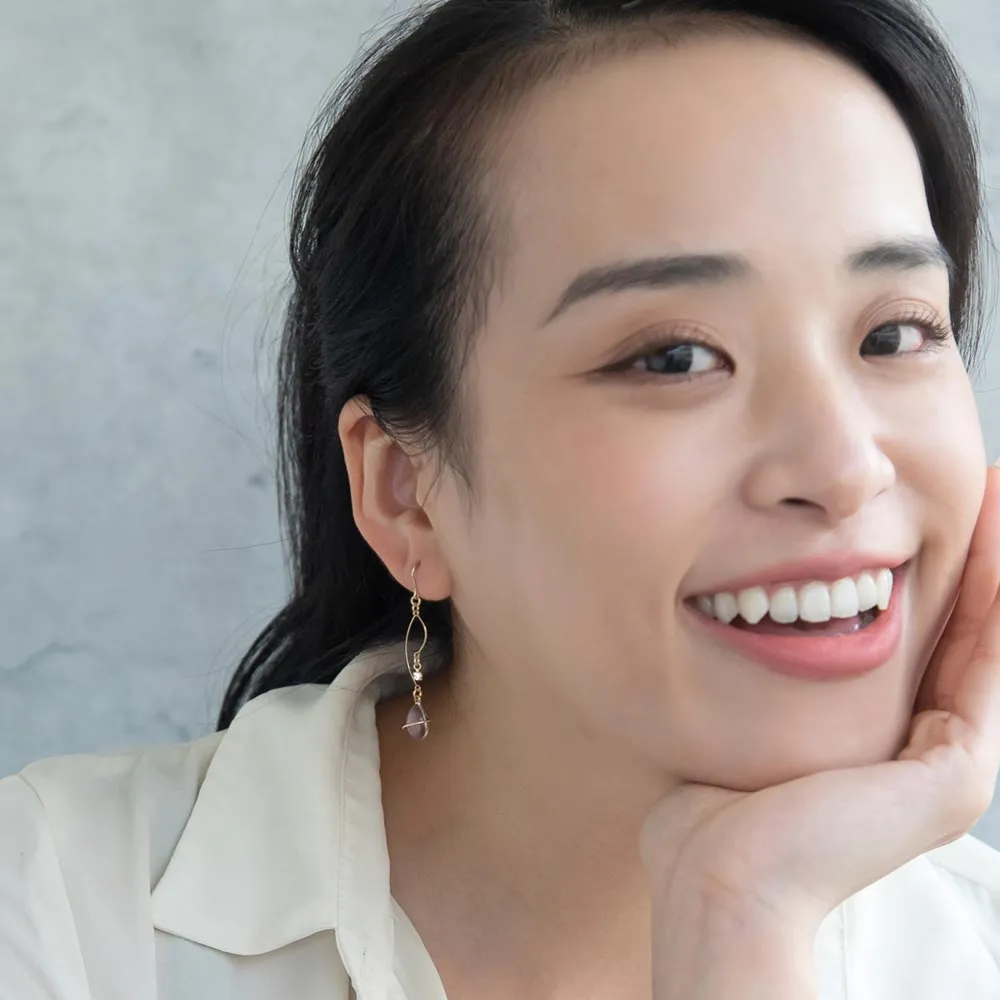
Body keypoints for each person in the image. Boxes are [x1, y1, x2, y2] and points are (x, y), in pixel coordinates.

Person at [4, 0, 1000, 996]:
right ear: (407, 496)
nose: (841, 469)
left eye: (893, 333)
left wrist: (744, 914)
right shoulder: (59, 916)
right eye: (674, 357)